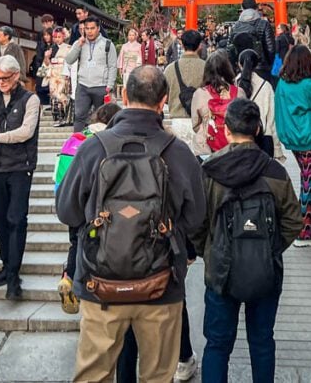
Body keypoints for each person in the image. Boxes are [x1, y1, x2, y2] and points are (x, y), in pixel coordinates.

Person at [56, 66, 205, 383]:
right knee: (157, 375)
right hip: (161, 285)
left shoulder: (93, 147)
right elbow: (195, 219)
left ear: (124, 96)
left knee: (93, 375)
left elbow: (67, 212)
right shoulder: (178, 152)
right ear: (163, 101)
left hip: (101, 285)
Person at [191, 99, 302, 383]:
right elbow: (292, 222)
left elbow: (197, 222)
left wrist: (212, 248)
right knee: (262, 341)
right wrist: (269, 248)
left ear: (226, 130)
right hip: (265, 271)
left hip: (220, 270)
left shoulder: (210, 170)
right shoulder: (276, 172)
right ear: (258, 129)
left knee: (217, 344)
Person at [0, 55, 41, 300]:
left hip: (19, 166)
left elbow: (26, 132)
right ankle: (6, 263)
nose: (0, 82)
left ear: (15, 76)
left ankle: (14, 275)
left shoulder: (30, 99)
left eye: (4, 78)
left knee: (16, 218)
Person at [55, 101, 121, 315]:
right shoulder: (105, 141)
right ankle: (88, 289)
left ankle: (68, 277)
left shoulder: (75, 138)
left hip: (70, 202)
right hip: (94, 209)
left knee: (75, 242)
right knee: (93, 245)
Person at [273, 45, 311, 247]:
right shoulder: (309, 85)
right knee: (310, 182)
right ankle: (305, 231)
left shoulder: (282, 84)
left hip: (293, 137)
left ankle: (306, 225)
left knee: (307, 179)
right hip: (310, 136)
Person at [65, 16, 118, 132]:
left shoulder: (108, 44)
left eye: (92, 28)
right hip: (83, 86)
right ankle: (77, 145)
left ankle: (99, 145)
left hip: (101, 86)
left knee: (101, 118)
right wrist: (78, 45)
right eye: (87, 29)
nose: (89, 31)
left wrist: (109, 85)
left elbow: (113, 66)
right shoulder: (79, 43)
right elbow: (69, 60)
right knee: (79, 116)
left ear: (98, 28)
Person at [163, 29, 206, 149]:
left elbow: (165, 97)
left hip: (178, 120)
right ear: (199, 45)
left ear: (182, 44)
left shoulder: (170, 69)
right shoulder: (206, 67)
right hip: (201, 122)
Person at [190, 52, 239, 156]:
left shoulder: (199, 94)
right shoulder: (239, 92)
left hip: (206, 149)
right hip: (234, 148)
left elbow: (195, 124)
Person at [235, 48, 277, 159]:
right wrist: (277, 147)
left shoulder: (233, 85)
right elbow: (271, 118)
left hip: (239, 136)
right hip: (263, 138)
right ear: (256, 65)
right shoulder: (266, 86)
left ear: (239, 64)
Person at [229, 0, 276, 84]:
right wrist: (268, 65)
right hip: (261, 68)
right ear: (256, 8)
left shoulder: (235, 26)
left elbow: (229, 49)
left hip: (241, 69)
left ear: (242, 8)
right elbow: (271, 49)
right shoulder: (264, 24)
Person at [47, 26, 74, 127]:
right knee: (54, 96)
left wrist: (69, 74)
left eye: (59, 36)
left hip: (63, 74)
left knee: (63, 95)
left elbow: (70, 62)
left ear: (64, 37)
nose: (57, 39)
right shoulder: (51, 49)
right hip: (53, 75)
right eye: (55, 37)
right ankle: (57, 118)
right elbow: (46, 63)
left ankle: (64, 118)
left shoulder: (68, 48)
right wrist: (46, 56)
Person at [33, 28, 56, 107]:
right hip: (42, 69)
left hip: (51, 71)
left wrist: (47, 58)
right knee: (40, 88)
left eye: (48, 35)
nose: (46, 37)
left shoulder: (54, 47)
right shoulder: (41, 46)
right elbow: (38, 60)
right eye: (44, 35)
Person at [119, 27, 143, 95]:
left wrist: (139, 67)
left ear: (136, 36)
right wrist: (120, 68)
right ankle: (126, 98)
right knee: (126, 84)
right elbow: (121, 57)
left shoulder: (139, 46)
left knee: (134, 84)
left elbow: (140, 57)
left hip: (135, 66)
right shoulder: (124, 46)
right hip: (126, 66)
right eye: (129, 35)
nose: (131, 37)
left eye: (132, 35)